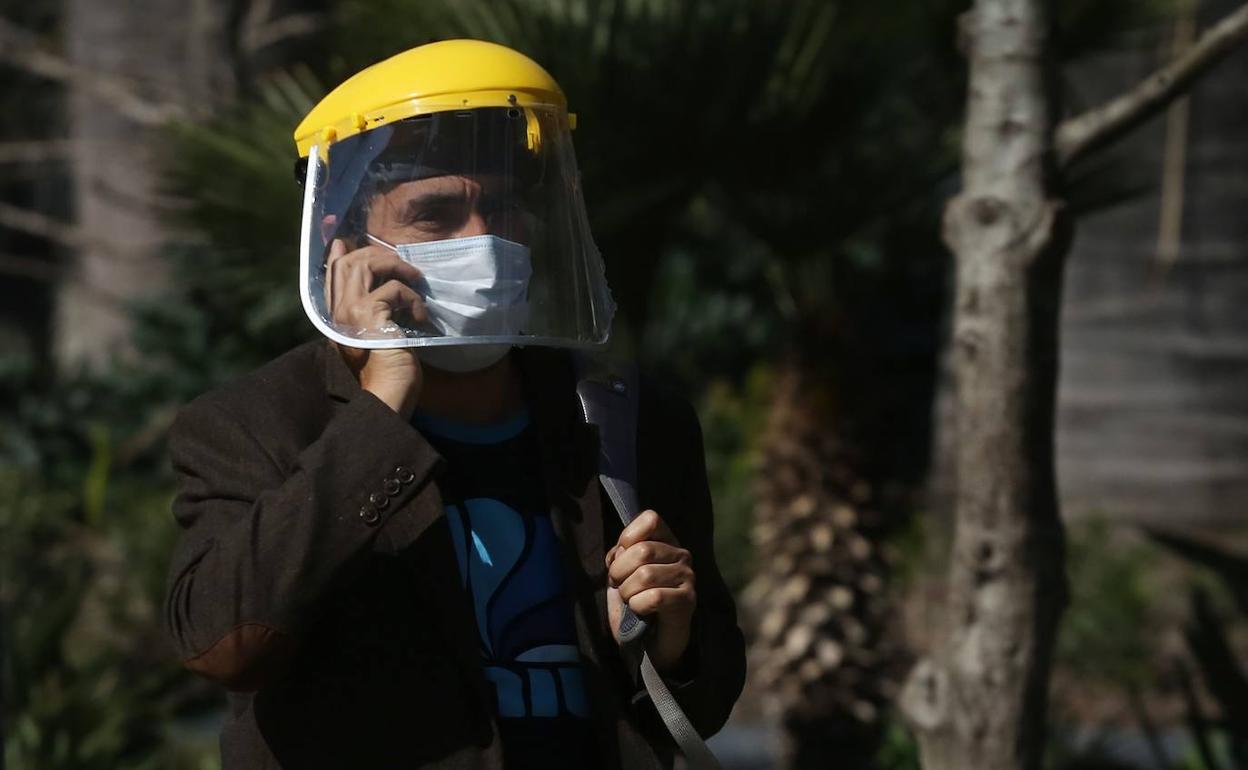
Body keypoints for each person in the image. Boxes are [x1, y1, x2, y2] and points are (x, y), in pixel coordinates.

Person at [163, 39, 745, 769]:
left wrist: (675, 636)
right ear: (341, 240)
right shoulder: (255, 424)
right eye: (435, 215)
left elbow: (705, 704)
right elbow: (223, 643)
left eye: (501, 209)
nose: (485, 241)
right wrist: (380, 411)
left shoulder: (622, 415)